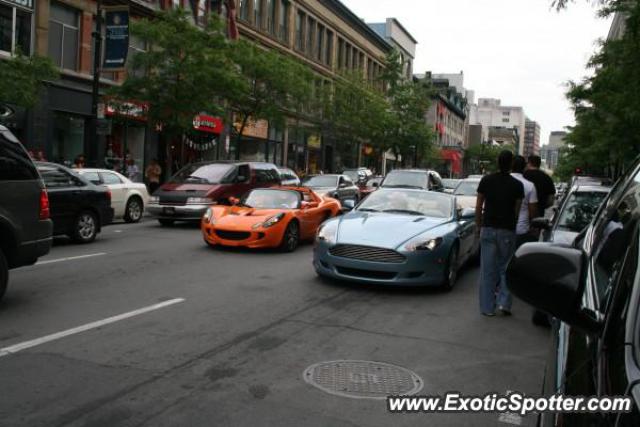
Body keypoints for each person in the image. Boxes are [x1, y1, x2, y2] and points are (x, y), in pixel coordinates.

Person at [475, 150, 524, 317]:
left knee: (487, 270)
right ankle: (504, 303)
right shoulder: (517, 185)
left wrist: (478, 226)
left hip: (488, 229)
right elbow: (516, 211)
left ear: (497, 162)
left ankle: (487, 308)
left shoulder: (486, 180)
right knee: (505, 268)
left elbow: (479, 205)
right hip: (507, 231)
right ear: (511, 164)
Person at [511, 155, 539, 248]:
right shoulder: (530, 185)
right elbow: (532, 211)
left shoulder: (502, 182)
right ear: (524, 167)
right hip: (521, 229)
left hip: (501, 227)